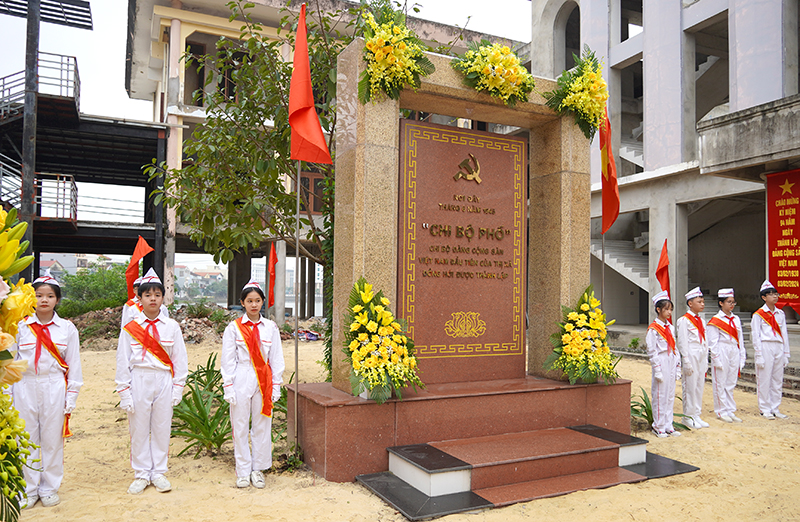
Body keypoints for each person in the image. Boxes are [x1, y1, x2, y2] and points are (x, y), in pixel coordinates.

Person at [115, 268, 187, 495]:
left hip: (163, 378)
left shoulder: (172, 326)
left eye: (157, 294)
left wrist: (178, 388)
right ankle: (141, 473)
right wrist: (124, 391)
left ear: (162, 297)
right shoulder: (130, 328)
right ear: (140, 298)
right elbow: (122, 359)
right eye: (148, 295)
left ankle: (159, 472)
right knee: (138, 427)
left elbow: (179, 359)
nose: (153, 299)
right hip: (139, 378)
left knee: (161, 427)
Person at [13, 273, 82, 509]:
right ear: (32, 299)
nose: (44, 300)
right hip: (24, 384)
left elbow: (74, 365)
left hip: (54, 385)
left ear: (57, 300)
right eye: (39, 295)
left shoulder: (67, 329)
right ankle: (29, 489)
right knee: (27, 438)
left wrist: (71, 396)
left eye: (50, 296)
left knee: (53, 439)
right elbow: (10, 362)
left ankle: (49, 487)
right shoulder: (20, 326)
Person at [221, 280, 285, 488]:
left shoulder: (271, 327)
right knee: (239, 425)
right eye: (250, 301)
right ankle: (243, 470)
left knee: (262, 425)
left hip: (264, 378)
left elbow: (276, 359)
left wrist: (276, 385)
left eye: (258, 300)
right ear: (242, 303)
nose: (254, 304)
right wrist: (228, 386)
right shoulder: (234, 328)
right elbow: (228, 359)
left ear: (263, 302)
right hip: (242, 374)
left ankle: (258, 469)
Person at [751, 280, 791, 419]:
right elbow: (755, 335)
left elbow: (784, 333)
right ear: (764, 297)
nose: (775, 296)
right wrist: (759, 354)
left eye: (776, 293)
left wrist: (786, 353)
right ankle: (764, 408)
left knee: (777, 379)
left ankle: (775, 407)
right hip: (765, 345)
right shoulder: (759, 315)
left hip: (778, 346)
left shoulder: (780, 314)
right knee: (764, 378)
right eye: (771, 294)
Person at [646, 290, 681, 438]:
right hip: (661, 360)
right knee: (660, 394)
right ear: (658, 309)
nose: (669, 312)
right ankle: (658, 426)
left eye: (671, 309)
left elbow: (674, 346)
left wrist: (678, 365)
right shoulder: (654, 329)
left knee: (670, 394)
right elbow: (651, 350)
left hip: (671, 360)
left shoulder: (670, 328)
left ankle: (668, 424)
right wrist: (657, 369)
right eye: (666, 309)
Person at [708, 288, 746, 423]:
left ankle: (730, 409)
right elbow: (713, 342)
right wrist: (716, 358)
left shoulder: (736, 319)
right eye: (729, 302)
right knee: (720, 382)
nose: (731, 304)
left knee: (731, 382)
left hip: (733, 349)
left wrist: (742, 356)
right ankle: (721, 410)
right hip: (722, 349)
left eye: (733, 302)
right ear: (721, 303)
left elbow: (740, 339)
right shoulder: (716, 320)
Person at [676, 286, 709, 429]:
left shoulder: (701, 320)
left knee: (699, 385)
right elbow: (682, 341)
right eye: (699, 301)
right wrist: (686, 360)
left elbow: (705, 339)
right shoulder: (684, 320)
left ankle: (696, 414)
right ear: (690, 303)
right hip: (692, 352)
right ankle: (688, 416)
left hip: (701, 353)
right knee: (690, 385)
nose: (702, 304)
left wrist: (706, 358)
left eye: (703, 301)